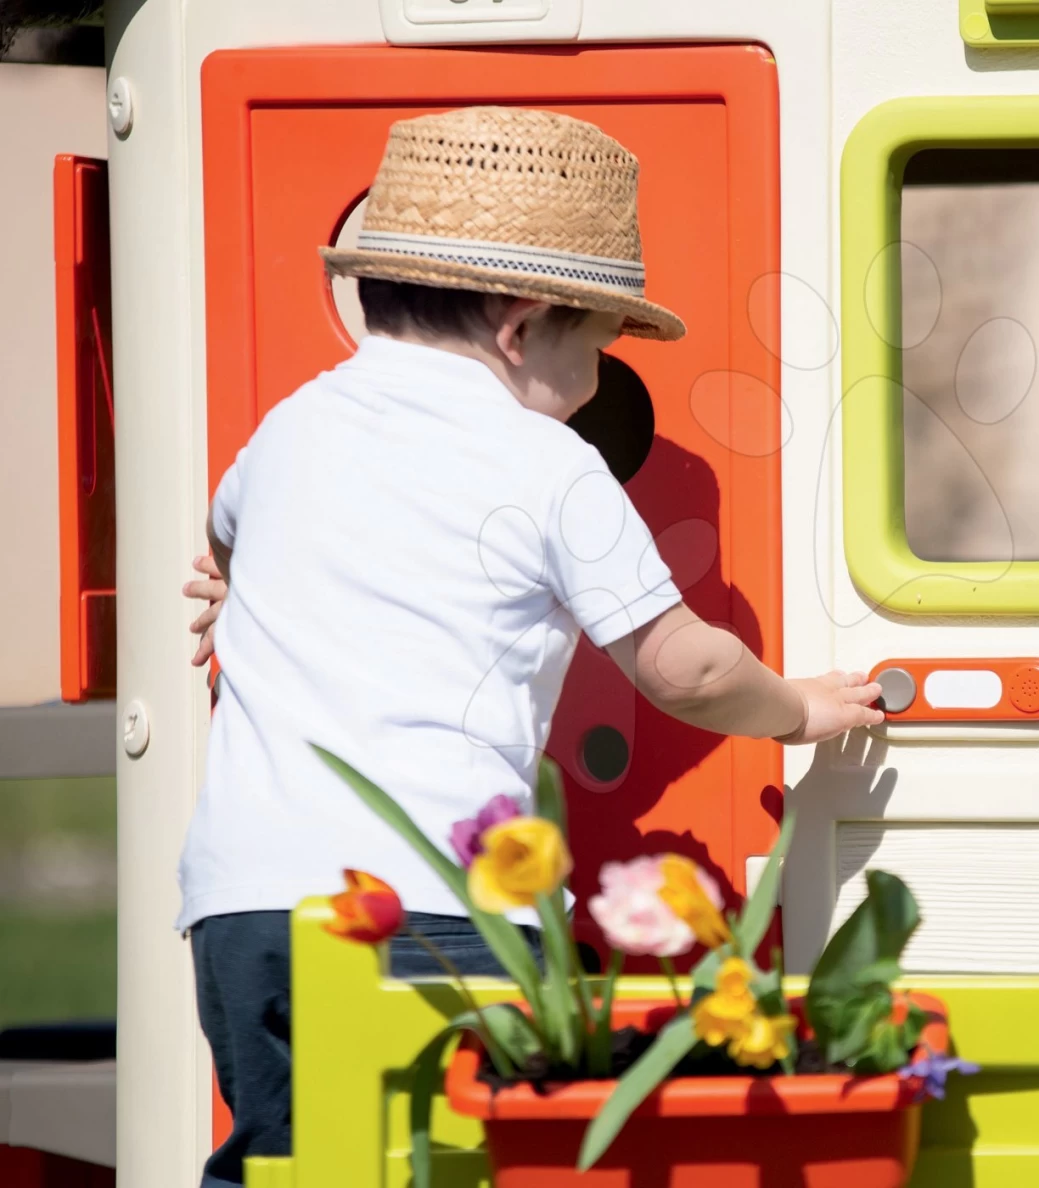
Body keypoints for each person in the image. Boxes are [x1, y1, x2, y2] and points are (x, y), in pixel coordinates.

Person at [176, 105, 883, 1187]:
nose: (598, 380)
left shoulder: (290, 427)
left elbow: (223, 532)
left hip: (244, 903)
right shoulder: (542, 463)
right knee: (474, 1161)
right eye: (596, 345)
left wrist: (227, 585)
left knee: (292, 1159)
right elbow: (684, 666)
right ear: (521, 325)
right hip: (434, 908)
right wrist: (797, 708)